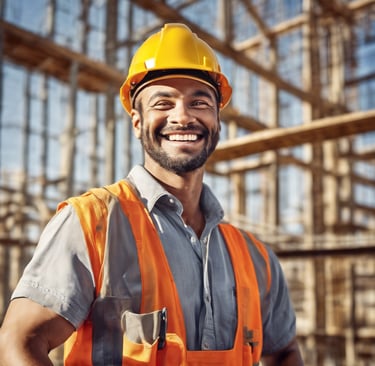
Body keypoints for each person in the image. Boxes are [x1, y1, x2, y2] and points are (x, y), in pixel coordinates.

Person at [0, 23, 303, 365]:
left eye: (199, 102)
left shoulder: (256, 258)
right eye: (163, 102)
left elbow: (285, 351)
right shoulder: (90, 223)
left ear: (218, 120)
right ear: (137, 122)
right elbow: (19, 342)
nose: (182, 116)